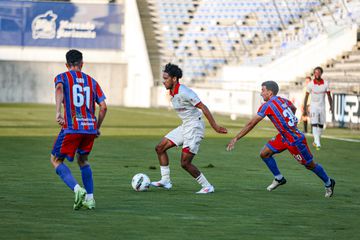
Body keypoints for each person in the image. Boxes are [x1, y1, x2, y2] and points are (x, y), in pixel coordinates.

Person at [226, 81, 335, 198]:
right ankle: (279, 178)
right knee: (265, 154)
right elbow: (293, 107)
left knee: (309, 165)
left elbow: (251, 123)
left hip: (295, 140)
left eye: (263, 90)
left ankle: (329, 182)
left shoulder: (267, 106)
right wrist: (290, 121)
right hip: (284, 136)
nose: (261, 93)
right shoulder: (282, 100)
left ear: (270, 92)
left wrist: (236, 138)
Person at [151, 63, 228, 194]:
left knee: (185, 163)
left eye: (166, 79)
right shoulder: (172, 92)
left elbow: (203, 107)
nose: (163, 82)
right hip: (186, 125)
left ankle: (207, 186)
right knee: (160, 148)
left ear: (174, 79)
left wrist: (215, 126)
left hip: (194, 127)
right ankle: (165, 181)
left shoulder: (185, 92)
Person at [50, 49, 107, 210]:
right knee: (82, 160)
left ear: (67, 65)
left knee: (55, 160)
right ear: (82, 64)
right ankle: (90, 199)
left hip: (72, 127)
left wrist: (58, 112)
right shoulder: (92, 81)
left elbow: (59, 89)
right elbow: (103, 107)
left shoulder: (62, 77)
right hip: (89, 129)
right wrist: (97, 128)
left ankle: (77, 189)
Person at [303, 67, 333, 150]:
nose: (317, 74)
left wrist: (331, 106)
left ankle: (317, 140)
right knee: (314, 123)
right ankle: (318, 142)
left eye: (318, 72)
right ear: (314, 74)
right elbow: (306, 96)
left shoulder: (326, 83)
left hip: (322, 106)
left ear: (321, 73)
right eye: (315, 72)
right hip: (313, 106)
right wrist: (305, 108)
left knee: (321, 124)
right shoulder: (311, 84)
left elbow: (329, 96)